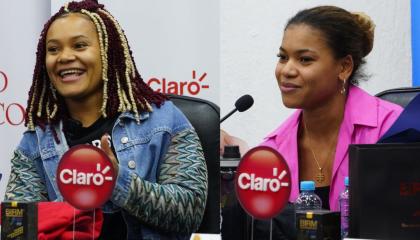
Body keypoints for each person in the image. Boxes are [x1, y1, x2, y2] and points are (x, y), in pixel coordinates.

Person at [4, 1, 208, 239]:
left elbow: (190, 211)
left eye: (79, 45)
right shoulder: (36, 141)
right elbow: (15, 229)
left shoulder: (164, 121)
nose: (65, 57)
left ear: (108, 52)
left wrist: (116, 180)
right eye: (53, 49)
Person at [248, 6, 403, 239]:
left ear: (344, 67)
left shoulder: (393, 129)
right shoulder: (272, 149)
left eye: (305, 59)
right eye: (282, 57)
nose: (287, 70)